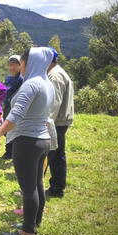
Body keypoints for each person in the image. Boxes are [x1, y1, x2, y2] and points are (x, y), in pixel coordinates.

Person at [0, 47, 55, 235]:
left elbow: (15, 116)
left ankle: (27, 234)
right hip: (42, 140)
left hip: (27, 140)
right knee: (37, 185)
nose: (21, 66)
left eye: (23, 62)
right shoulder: (47, 83)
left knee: (28, 189)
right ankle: (33, 223)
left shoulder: (31, 85)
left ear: (29, 62)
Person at [46, 49, 74, 198]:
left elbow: (54, 103)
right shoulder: (57, 72)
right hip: (60, 120)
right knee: (57, 155)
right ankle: (56, 186)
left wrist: (45, 123)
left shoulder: (54, 76)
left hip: (56, 121)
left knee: (52, 155)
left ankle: (56, 189)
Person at [2, 55, 24, 160]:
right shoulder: (8, 78)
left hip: (16, 108)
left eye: (15, 65)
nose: (12, 67)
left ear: (21, 66)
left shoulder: (22, 79)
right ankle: (10, 151)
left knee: (14, 129)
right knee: (7, 130)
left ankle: (10, 152)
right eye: (10, 65)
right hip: (7, 107)